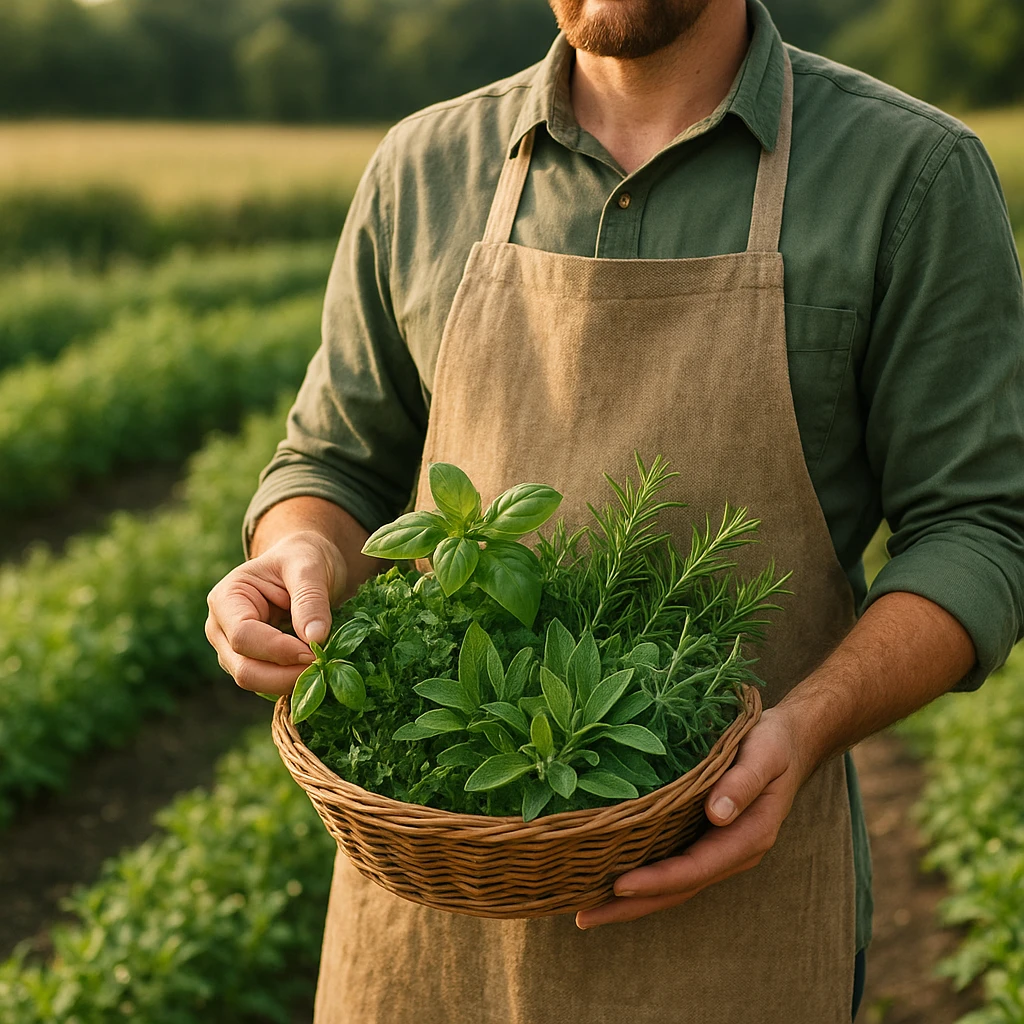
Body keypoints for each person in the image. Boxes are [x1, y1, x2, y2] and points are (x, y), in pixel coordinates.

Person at [204, 0, 1024, 1020]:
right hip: (426, 928)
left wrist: (805, 728)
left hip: (734, 904)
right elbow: (332, 462)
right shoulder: (422, 167)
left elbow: (979, 526)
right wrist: (294, 553)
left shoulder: (907, 176)